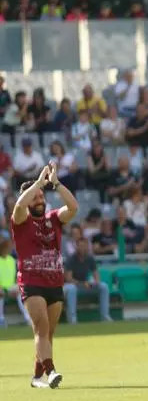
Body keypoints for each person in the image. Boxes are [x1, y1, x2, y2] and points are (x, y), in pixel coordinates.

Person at [11, 162, 79, 388]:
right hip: (31, 282)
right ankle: (51, 372)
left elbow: (73, 207)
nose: (39, 200)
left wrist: (55, 183)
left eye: (41, 196)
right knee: (41, 328)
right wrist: (39, 182)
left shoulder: (54, 218)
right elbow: (19, 205)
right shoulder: (20, 220)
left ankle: (37, 377)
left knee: (48, 334)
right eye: (35, 197)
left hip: (54, 281)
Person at [63, 237, 112, 324]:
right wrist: (82, 284)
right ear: (76, 247)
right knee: (72, 289)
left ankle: (105, 316)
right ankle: (72, 318)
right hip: (69, 285)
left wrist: (95, 282)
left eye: (84, 246)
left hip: (85, 284)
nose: (83, 248)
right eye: (80, 246)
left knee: (103, 286)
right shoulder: (71, 259)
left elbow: (96, 274)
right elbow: (68, 279)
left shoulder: (90, 258)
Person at [0, 231, 31, 326]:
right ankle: (1, 320)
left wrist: (17, 287)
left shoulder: (12, 260)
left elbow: (16, 277)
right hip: (1, 288)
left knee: (22, 291)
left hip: (11, 287)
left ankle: (28, 319)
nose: (9, 249)